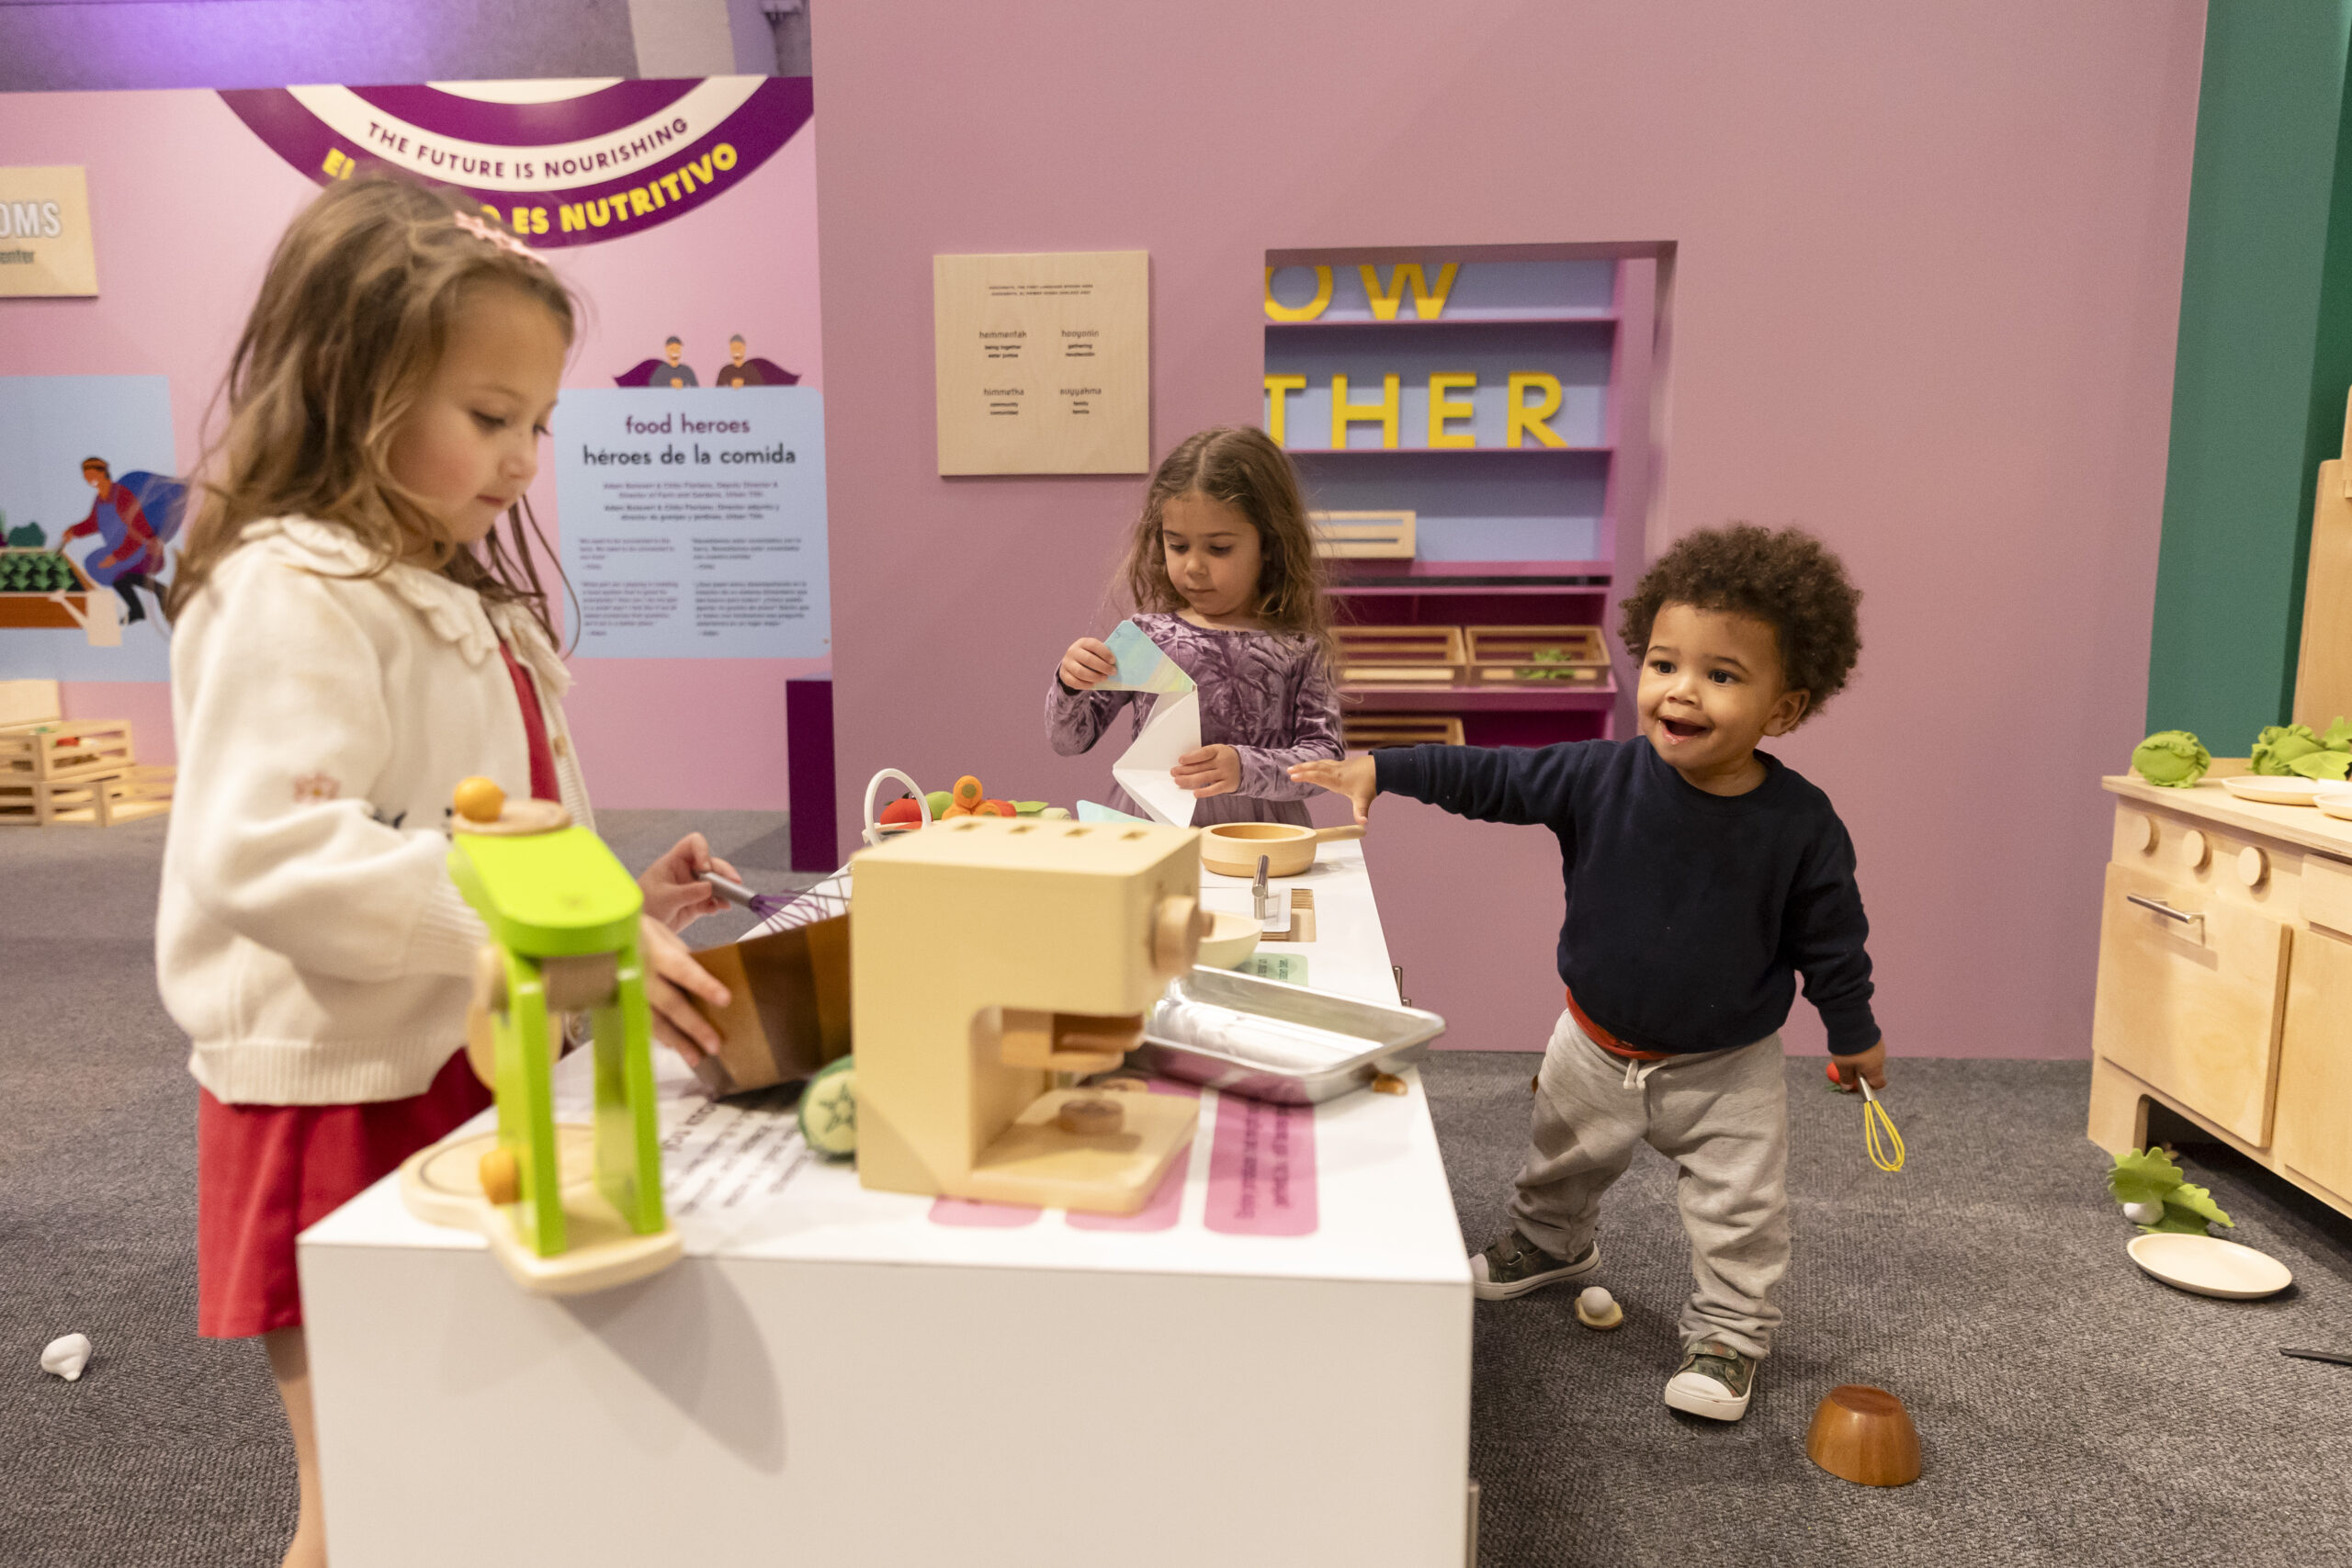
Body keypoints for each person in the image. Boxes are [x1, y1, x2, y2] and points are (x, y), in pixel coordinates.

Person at [157, 178, 740, 1568]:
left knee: (471, 1453)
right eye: (488, 418)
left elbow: (491, 828)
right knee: (365, 1490)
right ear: (352, 385)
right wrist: (512, 913)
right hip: (345, 1086)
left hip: (467, 1052)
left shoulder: (450, 588)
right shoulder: (291, 587)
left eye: (537, 422)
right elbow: (265, 848)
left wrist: (617, 903)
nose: (524, 456)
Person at [1290, 524, 1881, 1424]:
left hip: (1726, 1070)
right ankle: (1548, 1245)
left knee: (1741, 1213)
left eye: (1721, 676)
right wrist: (1385, 768)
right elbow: (1491, 778)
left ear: (1784, 709)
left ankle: (1727, 1332)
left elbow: (1831, 941)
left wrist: (1855, 1036)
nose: (1681, 691)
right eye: (1664, 664)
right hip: (1592, 1041)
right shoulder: (1598, 776)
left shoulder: (1801, 825)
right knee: (1558, 1160)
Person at [1048, 424, 1342, 825]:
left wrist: (1245, 767)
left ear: (1270, 545)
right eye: (1177, 545)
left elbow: (1325, 759)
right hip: (1151, 828)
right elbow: (1070, 739)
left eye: (1219, 548)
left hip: (1260, 837)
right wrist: (1070, 684)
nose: (1193, 567)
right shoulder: (1146, 637)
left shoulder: (1298, 648)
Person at [60, 457, 165, 624]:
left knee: (109, 569)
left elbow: (138, 530)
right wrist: (73, 531)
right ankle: (150, 597)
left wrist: (116, 556)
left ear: (103, 473)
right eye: (86, 477)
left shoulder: (121, 495)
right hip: (119, 547)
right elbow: (93, 523)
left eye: (92, 475)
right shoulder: (100, 498)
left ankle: (144, 602)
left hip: (139, 547)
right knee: (94, 563)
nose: (89, 480)